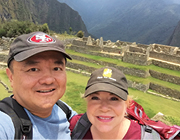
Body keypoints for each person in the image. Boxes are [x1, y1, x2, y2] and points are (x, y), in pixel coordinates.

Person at [0, 31, 77, 139]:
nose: (48, 80)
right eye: (33, 69)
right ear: (11, 77)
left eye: (56, 68)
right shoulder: (5, 125)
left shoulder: (65, 111)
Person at [70, 66, 161, 139]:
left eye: (114, 99)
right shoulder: (75, 126)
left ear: (127, 104)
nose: (104, 108)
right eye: (95, 98)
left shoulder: (144, 137)